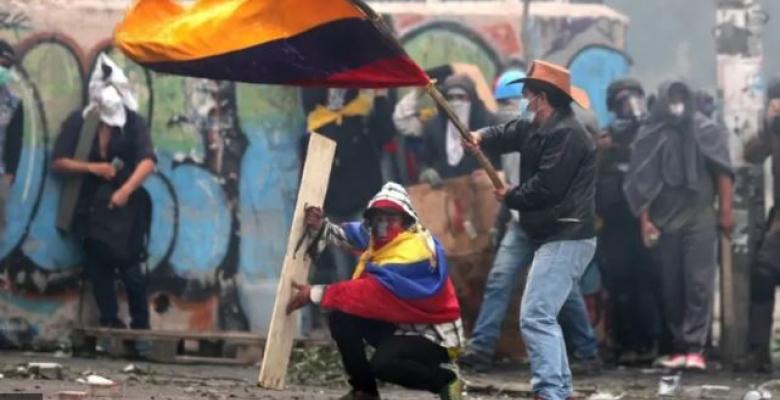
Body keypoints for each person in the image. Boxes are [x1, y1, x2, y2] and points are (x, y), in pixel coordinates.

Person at [464, 60, 597, 400]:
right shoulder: (535, 126)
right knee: (543, 313)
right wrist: (480, 137)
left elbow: (547, 188)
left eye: (527, 94)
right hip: (548, 233)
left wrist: (511, 196)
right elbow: (507, 133)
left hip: (567, 234)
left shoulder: (568, 133)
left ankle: (550, 391)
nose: (523, 99)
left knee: (536, 315)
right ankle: (559, 389)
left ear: (542, 98)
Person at [287, 182, 464, 400]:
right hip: (401, 322)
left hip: (432, 335)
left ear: (405, 219)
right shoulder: (384, 237)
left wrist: (314, 293)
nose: (384, 225)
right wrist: (321, 224)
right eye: (379, 218)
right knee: (341, 317)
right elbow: (352, 236)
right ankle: (364, 391)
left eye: (391, 218)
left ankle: (445, 379)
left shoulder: (413, 251)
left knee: (384, 364)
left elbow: (371, 292)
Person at [623, 80, 733, 371]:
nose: (676, 105)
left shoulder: (705, 129)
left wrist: (726, 211)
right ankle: (678, 346)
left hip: (699, 216)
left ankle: (696, 347)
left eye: (680, 98)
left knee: (698, 282)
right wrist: (645, 221)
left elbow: (723, 172)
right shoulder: (650, 134)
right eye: (670, 99)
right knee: (671, 285)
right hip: (665, 220)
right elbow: (641, 183)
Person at [52, 55, 155, 342]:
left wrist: (124, 191)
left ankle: (141, 329)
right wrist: (91, 167)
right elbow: (58, 162)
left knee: (132, 269)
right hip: (89, 208)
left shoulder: (133, 123)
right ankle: (110, 324)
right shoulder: (80, 123)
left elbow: (148, 161)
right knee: (98, 268)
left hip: (125, 207)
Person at [595, 78, 659, 364]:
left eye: (632, 98)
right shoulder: (606, 137)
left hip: (647, 220)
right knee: (619, 281)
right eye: (621, 100)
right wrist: (605, 149)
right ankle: (623, 342)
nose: (629, 106)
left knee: (648, 280)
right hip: (615, 221)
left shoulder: (652, 132)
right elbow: (593, 173)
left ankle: (650, 341)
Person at [301, 88, 395, 282]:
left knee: (371, 267)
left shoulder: (361, 117)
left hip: (363, 203)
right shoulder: (315, 129)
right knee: (346, 274)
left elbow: (385, 133)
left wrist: (381, 98)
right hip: (334, 209)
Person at [742, 79, 780, 373]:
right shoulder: (775, 130)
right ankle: (759, 351)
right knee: (764, 273)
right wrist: (769, 124)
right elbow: (752, 154)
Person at [418, 74, 496, 186]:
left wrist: (490, 172)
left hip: (481, 191)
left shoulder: (488, 123)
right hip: (443, 191)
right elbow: (425, 160)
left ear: (471, 98)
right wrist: (426, 172)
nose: (456, 102)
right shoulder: (434, 127)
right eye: (451, 98)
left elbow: (500, 160)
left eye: (461, 97)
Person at [0, 40, 24, 235]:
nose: (2, 70)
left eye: (6, 66)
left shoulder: (13, 103)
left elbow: (14, 144)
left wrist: (7, 182)